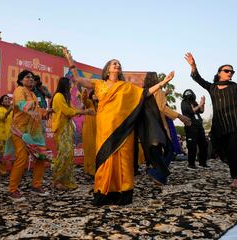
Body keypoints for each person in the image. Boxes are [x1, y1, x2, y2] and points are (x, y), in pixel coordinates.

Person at [63, 49, 175, 206]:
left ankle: (124, 192)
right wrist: (70, 61)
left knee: (124, 159)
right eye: (113, 63)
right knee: (106, 159)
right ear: (107, 69)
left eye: (118, 64)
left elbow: (145, 93)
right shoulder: (98, 84)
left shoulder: (126, 87)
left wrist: (163, 83)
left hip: (124, 129)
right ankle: (103, 192)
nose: (117, 65)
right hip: (105, 128)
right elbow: (77, 80)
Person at [185, 52, 237, 189]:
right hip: (219, 126)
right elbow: (198, 78)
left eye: (232, 71)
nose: (230, 73)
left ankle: (236, 178)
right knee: (220, 150)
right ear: (219, 73)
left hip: (235, 124)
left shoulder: (235, 86)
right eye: (227, 70)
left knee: (233, 150)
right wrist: (193, 65)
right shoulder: (212, 87)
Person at [8, 70, 50, 201]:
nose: (31, 79)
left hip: (34, 132)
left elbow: (36, 111)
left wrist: (46, 111)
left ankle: (36, 185)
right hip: (20, 131)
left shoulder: (32, 93)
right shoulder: (19, 90)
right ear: (21, 80)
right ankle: (12, 190)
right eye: (27, 77)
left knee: (41, 157)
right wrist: (31, 106)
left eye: (32, 77)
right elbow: (21, 105)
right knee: (22, 158)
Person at [51, 77, 94, 190]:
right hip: (61, 128)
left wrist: (83, 110)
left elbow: (73, 109)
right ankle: (57, 181)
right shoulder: (58, 96)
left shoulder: (66, 97)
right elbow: (67, 111)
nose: (70, 86)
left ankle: (66, 180)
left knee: (69, 155)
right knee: (63, 154)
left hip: (67, 127)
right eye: (69, 84)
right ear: (64, 84)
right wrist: (85, 112)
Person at [181, 89, 208, 169]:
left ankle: (202, 163)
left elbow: (201, 111)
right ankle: (191, 164)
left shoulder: (194, 102)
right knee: (192, 146)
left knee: (203, 145)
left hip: (199, 126)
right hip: (190, 127)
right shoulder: (184, 103)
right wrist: (199, 105)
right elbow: (190, 111)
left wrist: (203, 103)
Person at [0, 94, 13, 175]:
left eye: (8, 99)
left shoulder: (12, 111)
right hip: (2, 134)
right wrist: (9, 111)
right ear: (1, 102)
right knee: (1, 153)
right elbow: (2, 117)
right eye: (5, 99)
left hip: (11, 134)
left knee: (12, 152)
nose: (8, 100)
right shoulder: (0, 109)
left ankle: (14, 170)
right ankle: (2, 170)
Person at [82, 89, 98, 176]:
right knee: (89, 149)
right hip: (88, 130)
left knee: (96, 150)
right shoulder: (89, 103)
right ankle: (89, 170)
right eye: (94, 94)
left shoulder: (100, 105)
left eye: (97, 94)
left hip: (98, 130)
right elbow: (84, 100)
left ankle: (95, 169)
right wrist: (84, 93)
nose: (96, 96)